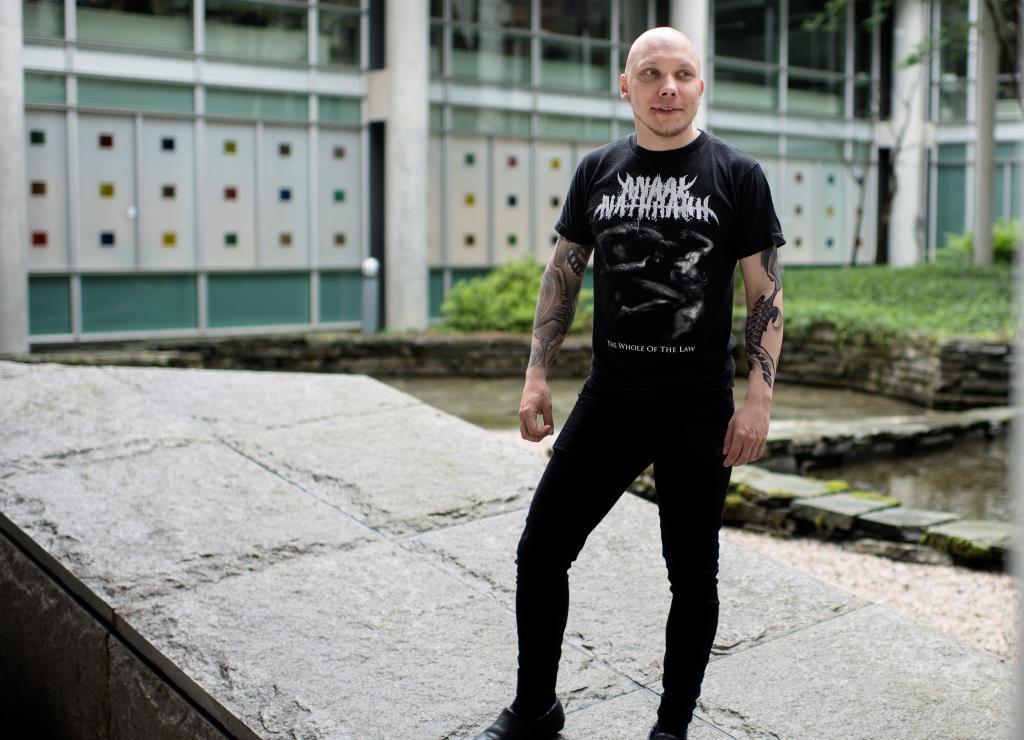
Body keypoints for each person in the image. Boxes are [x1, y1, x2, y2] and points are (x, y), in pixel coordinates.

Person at [474, 25, 785, 740]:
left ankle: (670, 728)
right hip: (609, 398)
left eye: (681, 74)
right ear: (626, 85)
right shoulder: (598, 170)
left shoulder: (736, 175)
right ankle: (535, 708)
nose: (666, 87)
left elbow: (764, 293)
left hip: (698, 408)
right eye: (650, 73)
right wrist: (535, 377)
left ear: (701, 84)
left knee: (692, 576)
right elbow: (564, 274)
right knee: (541, 550)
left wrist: (758, 402)